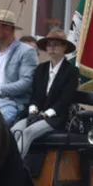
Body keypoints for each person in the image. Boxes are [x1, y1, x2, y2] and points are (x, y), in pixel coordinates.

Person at [10, 28, 79, 157]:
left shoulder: (71, 71)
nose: (51, 47)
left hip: (57, 118)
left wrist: (45, 115)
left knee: (28, 132)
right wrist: (33, 111)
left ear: (64, 47)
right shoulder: (41, 69)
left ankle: (15, 167)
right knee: (15, 130)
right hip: (36, 114)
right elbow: (35, 95)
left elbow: (65, 101)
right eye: (49, 44)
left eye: (56, 44)